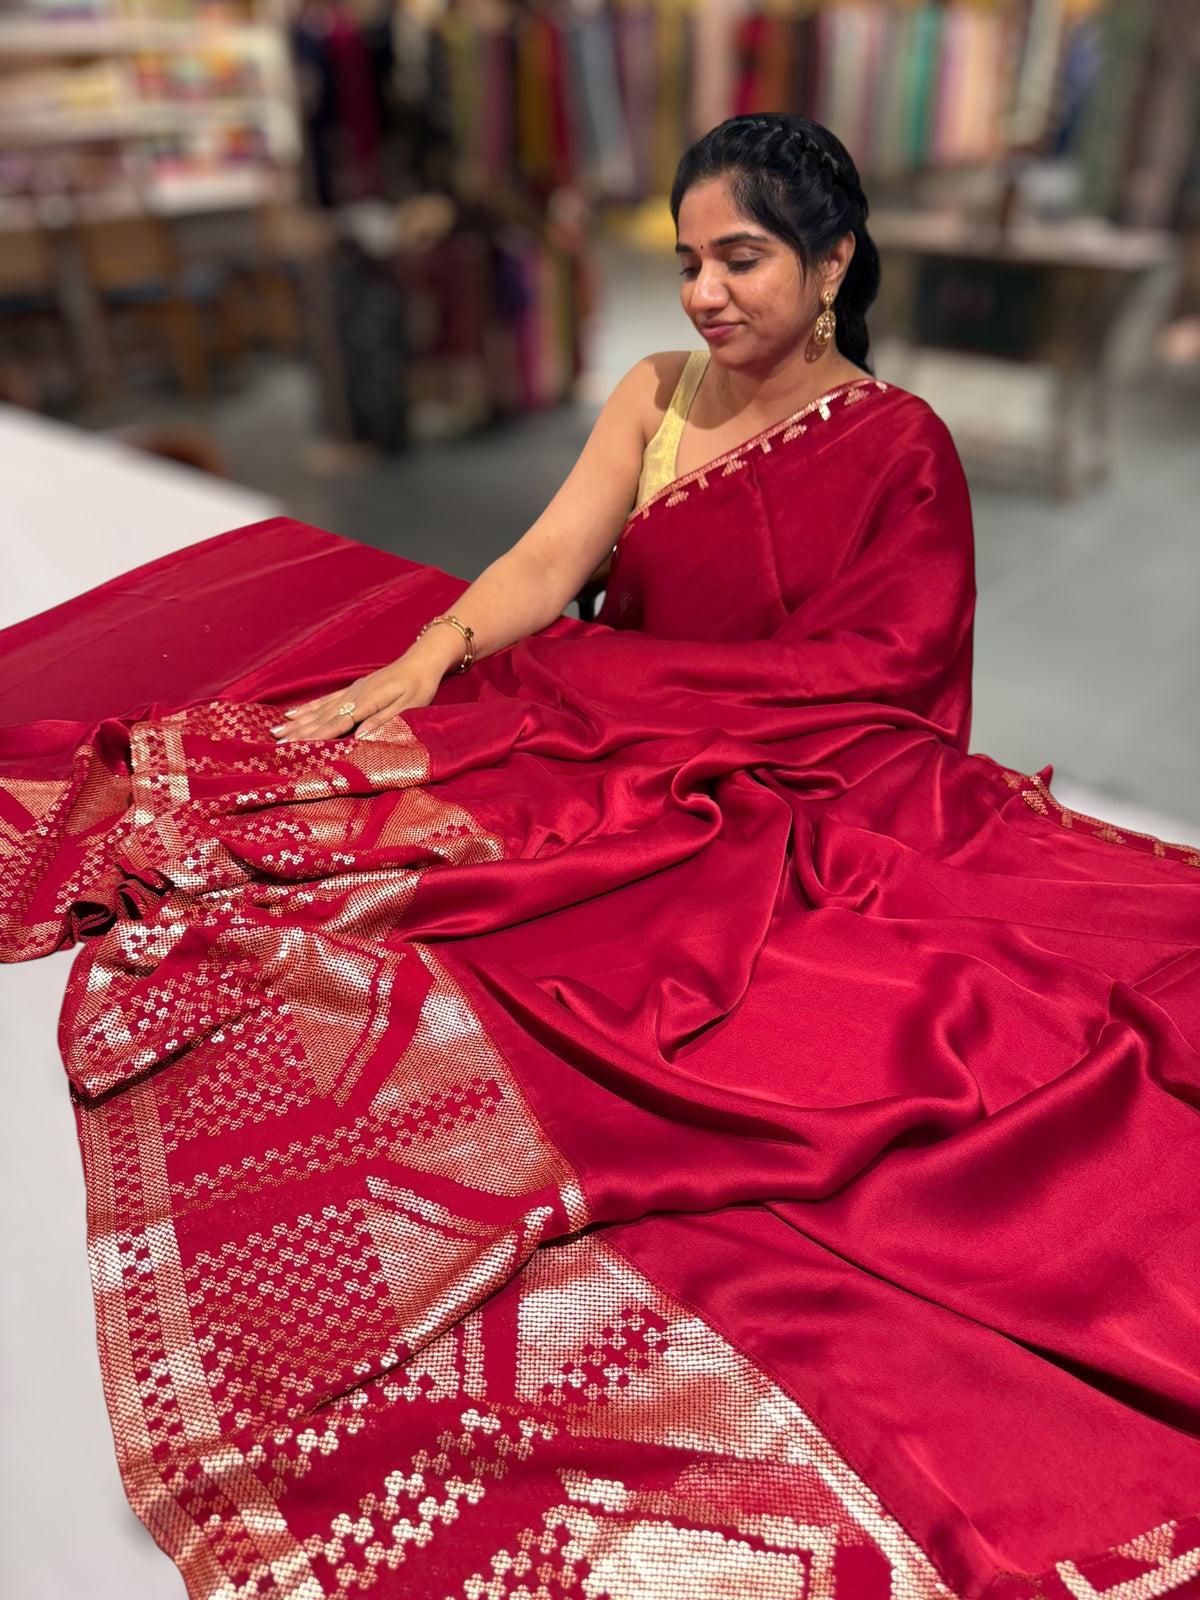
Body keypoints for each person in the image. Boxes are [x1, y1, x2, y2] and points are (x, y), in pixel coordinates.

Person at [2, 114, 1199, 1600]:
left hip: (796, 779)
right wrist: (429, 655)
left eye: (741, 259)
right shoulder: (655, 391)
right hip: (628, 740)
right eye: (689, 261)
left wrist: (629, 692)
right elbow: (549, 562)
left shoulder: (898, 445)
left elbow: (889, 673)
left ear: (832, 262)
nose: (704, 293)